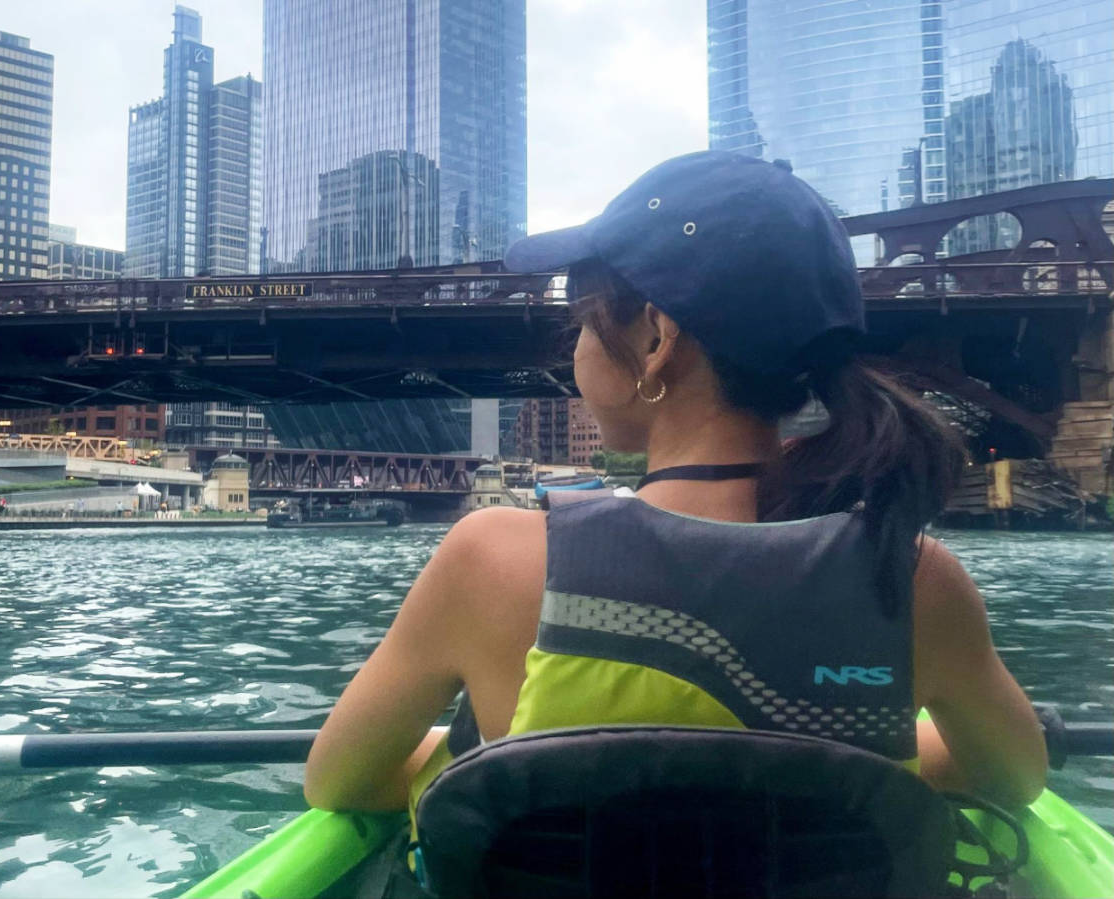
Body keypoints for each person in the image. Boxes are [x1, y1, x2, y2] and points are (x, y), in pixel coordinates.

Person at [304, 152, 1046, 825]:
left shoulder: (492, 560)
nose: (577, 349)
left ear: (656, 339)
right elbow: (1012, 778)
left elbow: (337, 780)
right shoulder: (913, 578)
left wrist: (481, 754)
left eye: (583, 323)